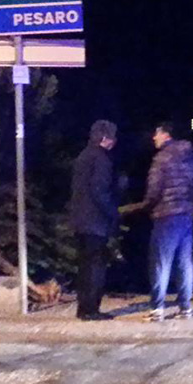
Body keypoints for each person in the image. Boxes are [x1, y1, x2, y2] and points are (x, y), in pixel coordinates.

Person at [138, 122, 193, 322]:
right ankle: (185, 308)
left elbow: (154, 190)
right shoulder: (191, 156)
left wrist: (146, 206)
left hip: (165, 216)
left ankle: (157, 308)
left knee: (161, 262)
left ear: (166, 135)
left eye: (157, 134)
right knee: (185, 262)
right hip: (185, 215)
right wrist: (187, 202)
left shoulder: (161, 158)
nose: (154, 138)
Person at [69, 120, 119, 321]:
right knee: (95, 266)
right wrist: (112, 213)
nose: (114, 141)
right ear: (105, 138)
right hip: (95, 222)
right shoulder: (101, 159)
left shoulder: (83, 156)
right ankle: (91, 309)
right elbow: (100, 191)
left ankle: (83, 308)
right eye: (112, 137)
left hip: (79, 220)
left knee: (84, 266)